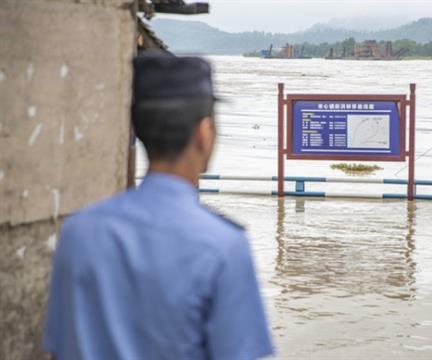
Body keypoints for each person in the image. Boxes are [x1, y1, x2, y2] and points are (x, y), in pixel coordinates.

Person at [43, 50, 274, 360]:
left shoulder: (78, 233)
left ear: (137, 131)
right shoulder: (224, 247)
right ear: (204, 134)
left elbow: (60, 349)